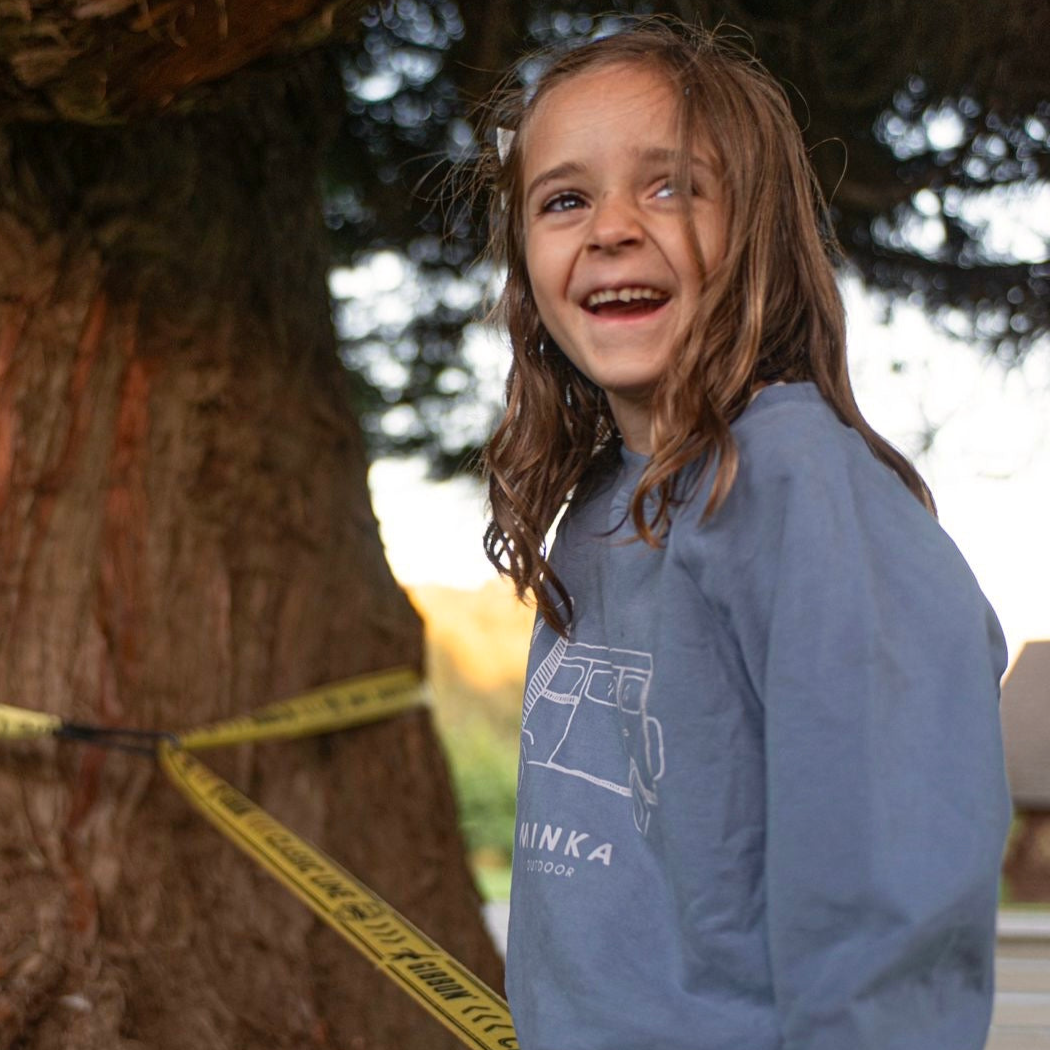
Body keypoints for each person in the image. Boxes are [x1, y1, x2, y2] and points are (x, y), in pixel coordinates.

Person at [478, 18, 1011, 1050]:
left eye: (671, 186)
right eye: (566, 199)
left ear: (759, 229)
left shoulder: (797, 491)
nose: (613, 228)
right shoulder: (600, 500)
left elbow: (889, 890)